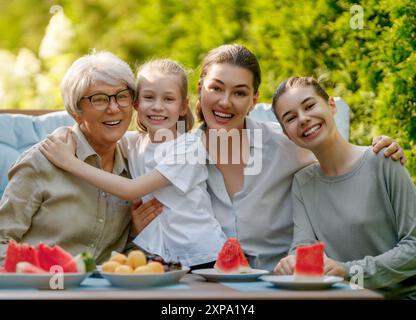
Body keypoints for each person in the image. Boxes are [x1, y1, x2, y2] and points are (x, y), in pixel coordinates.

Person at [132, 44, 407, 272]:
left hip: (279, 282)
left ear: (253, 100)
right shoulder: (177, 153)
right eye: (216, 88)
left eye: (239, 92)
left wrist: (382, 146)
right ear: (201, 89)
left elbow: (339, 155)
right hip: (209, 280)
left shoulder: (286, 143)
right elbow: (163, 214)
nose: (225, 102)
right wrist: (137, 229)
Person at [40, 59, 227, 268]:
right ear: (135, 103)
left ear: (183, 106)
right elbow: (91, 133)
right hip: (158, 256)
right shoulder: (134, 142)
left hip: (201, 254)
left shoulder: (189, 147)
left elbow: (131, 190)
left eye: (168, 99)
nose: (157, 106)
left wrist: (71, 163)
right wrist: (62, 136)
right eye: (149, 97)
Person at [272, 77, 416, 295]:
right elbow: (304, 246)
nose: (303, 119)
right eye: (290, 118)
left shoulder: (383, 159)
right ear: (287, 134)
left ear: (331, 106)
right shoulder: (302, 182)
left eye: (309, 106)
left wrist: (350, 271)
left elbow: (413, 248)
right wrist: (292, 262)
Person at [0, 51, 137, 265]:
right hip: (41, 290)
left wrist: (137, 234)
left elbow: (127, 254)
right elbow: (2, 241)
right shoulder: (39, 163)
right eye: (99, 99)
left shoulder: (136, 165)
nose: (113, 108)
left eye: (122, 96)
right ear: (75, 111)